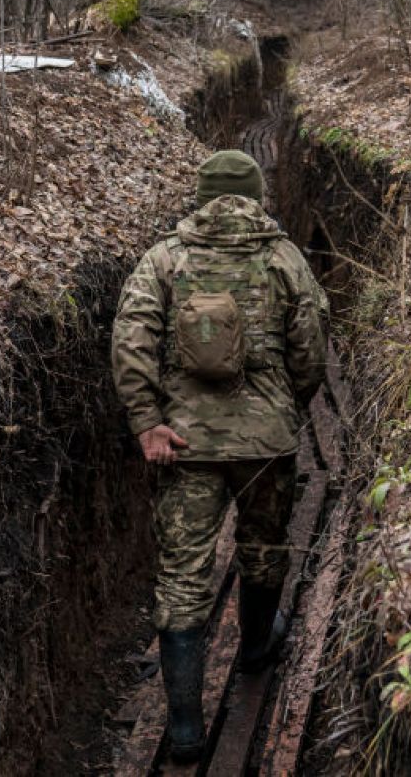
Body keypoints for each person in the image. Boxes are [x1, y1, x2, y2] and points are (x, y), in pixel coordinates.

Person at [111, 149, 328, 763]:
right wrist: (288, 409)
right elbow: (311, 348)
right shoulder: (283, 257)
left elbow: (130, 341)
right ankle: (258, 648)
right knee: (263, 550)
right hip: (266, 444)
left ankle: (183, 731)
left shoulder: (165, 258)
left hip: (184, 448)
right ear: (257, 194)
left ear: (201, 195)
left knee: (182, 576)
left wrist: (149, 422)